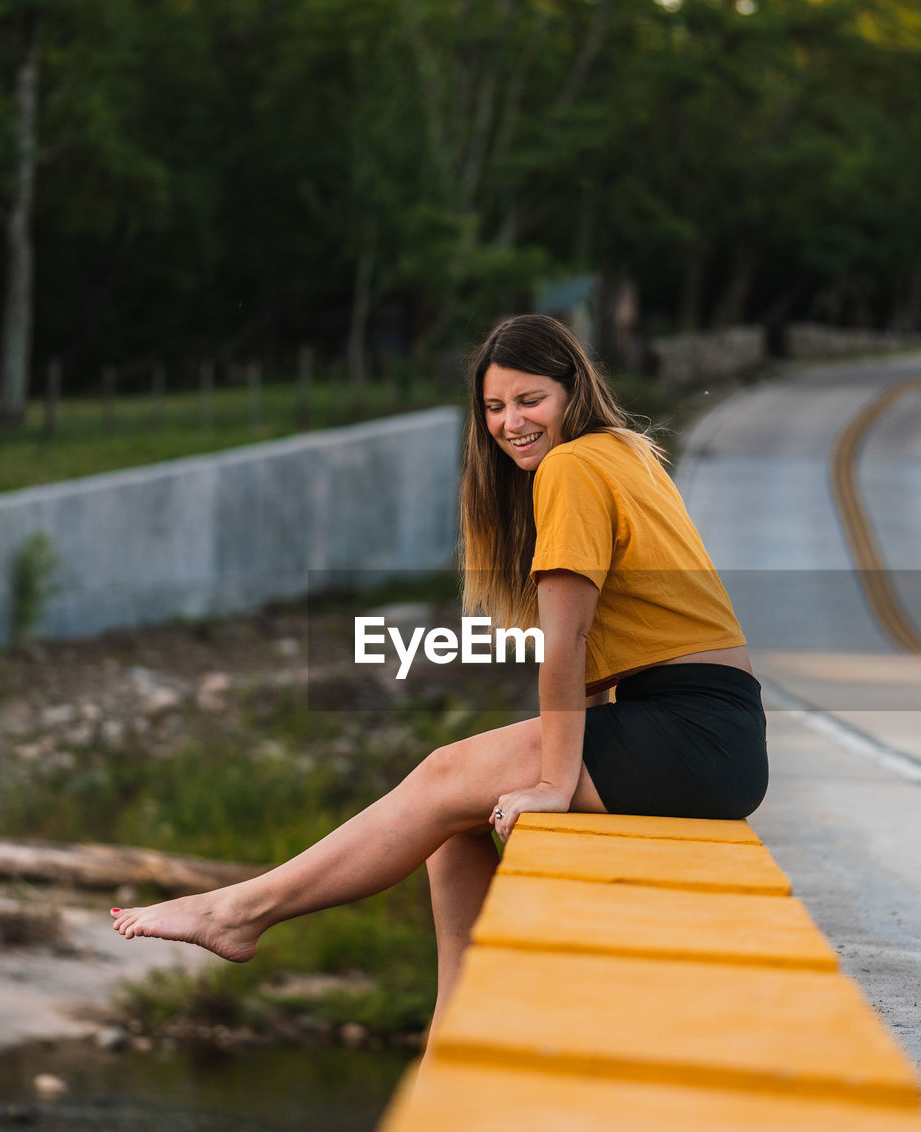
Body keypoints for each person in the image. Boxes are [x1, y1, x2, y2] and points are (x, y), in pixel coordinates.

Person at [110, 314, 767, 1049]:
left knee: (445, 770)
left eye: (530, 400)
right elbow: (599, 660)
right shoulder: (627, 452)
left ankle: (241, 913)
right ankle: (453, 1044)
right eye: (494, 407)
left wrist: (554, 784)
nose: (511, 423)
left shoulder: (573, 468)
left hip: (694, 730)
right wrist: (548, 772)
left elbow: (567, 643)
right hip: (705, 731)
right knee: (454, 833)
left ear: (573, 390)